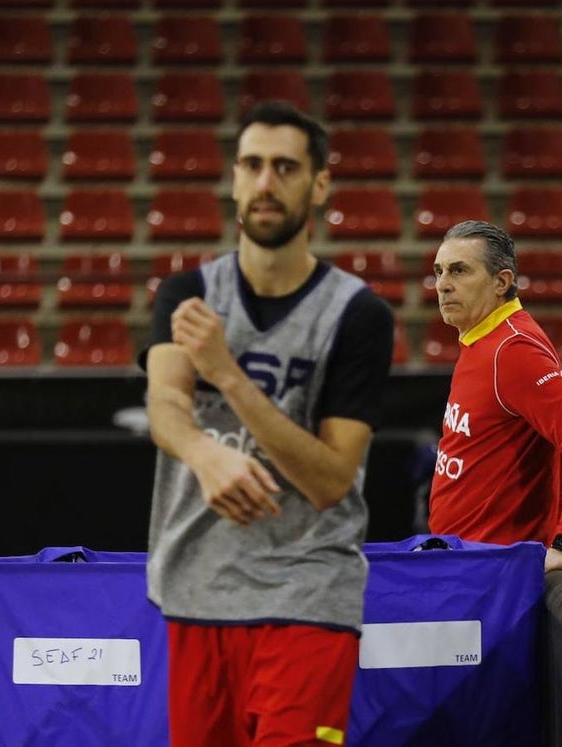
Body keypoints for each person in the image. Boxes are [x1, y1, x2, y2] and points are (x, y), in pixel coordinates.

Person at [140, 100, 394, 746]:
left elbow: (332, 478)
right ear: (232, 178)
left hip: (308, 592)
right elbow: (166, 405)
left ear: (319, 184)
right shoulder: (186, 293)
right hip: (197, 591)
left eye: (285, 167)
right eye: (252, 165)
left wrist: (228, 375)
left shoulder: (359, 315)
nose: (265, 183)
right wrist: (203, 452)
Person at [426, 220, 562, 573]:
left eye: (459, 271)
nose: (442, 285)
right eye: (438, 272)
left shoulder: (512, 350)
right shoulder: (482, 338)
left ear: (502, 282)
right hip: (464, 560)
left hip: (492, 570)